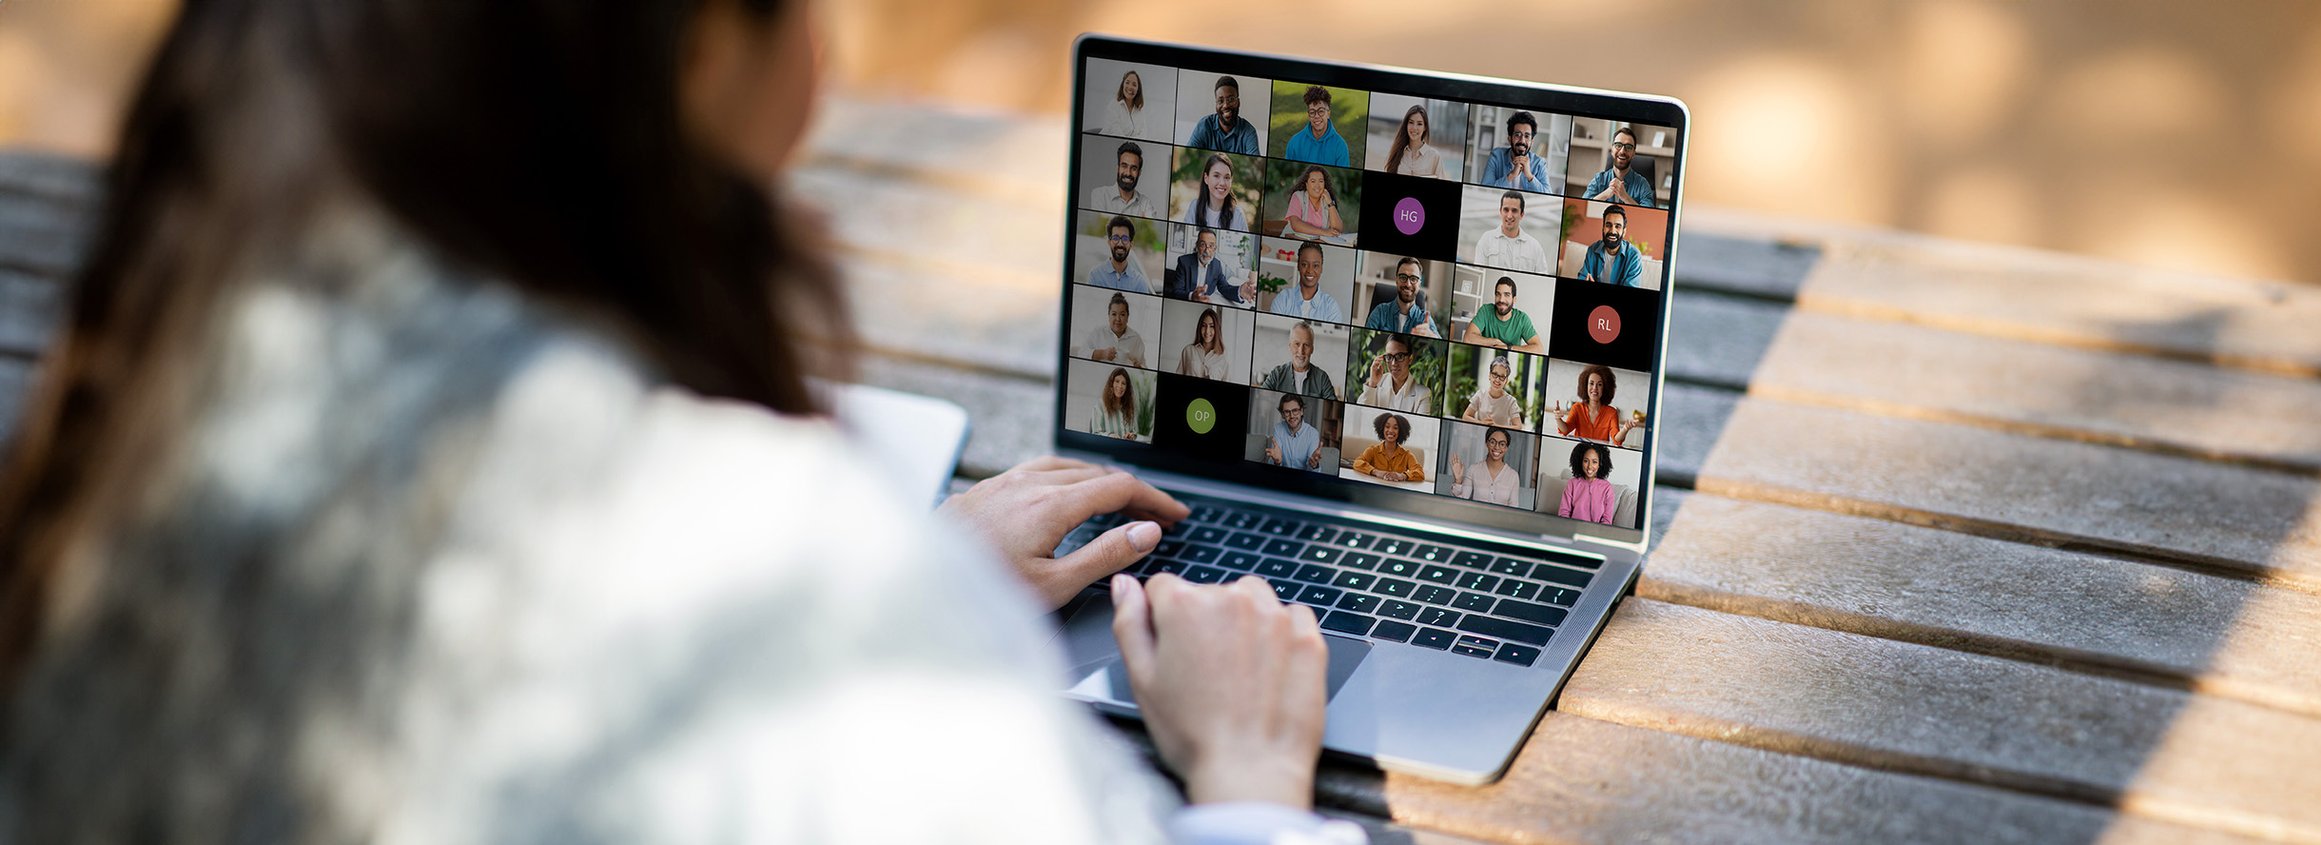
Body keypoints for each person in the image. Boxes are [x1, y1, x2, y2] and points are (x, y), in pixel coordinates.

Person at [0, 0, 1353, 842]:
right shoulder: (765, 553)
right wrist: (1244, 773)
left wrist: (907, 584)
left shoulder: (143, 396)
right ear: (700, 44)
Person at [1257, 321, 1339, 399]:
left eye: (1306, 345)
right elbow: (1262, 398)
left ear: (1312, 349)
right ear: (1290, 346)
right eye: (1297, 344)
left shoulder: (1322, 378)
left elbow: (1331, 404)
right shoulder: (1277, 375)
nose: (1301, 351)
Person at [1471, 190, 1547, 273]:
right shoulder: (1486, 240)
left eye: (1514, 210)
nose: (1509, 216)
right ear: (1500, 211)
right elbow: (1478, 272)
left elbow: (1543, 274)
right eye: (1506, 210)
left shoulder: (1535, 247)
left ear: (1522, 214)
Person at [1551, 363, 1628, 444]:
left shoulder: (1611, 413)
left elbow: (1617, 439)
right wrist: (1558, 419)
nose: (1595, 388)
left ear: (1605, 388)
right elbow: (1565, 430)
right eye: (1591, 383)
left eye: (1599, 384)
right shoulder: (1577, 408)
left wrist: (1625, 429)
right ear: (1585, 386)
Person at [1268, 242, 1346, 322]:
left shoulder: (1331, 307)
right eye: (1304, 264)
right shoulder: (1283, 299)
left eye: (1315, 265)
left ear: (1321, 268)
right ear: (1298, 266)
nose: (1310, 271)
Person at [1581, 126, 1657, 208]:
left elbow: (1648, 214)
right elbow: (1583, 206)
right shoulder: (1599, 179)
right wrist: (1605, 194)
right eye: (1618, 145)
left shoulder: (1642, 184)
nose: (1622, 151)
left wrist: (1625, 196)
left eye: (1628, 147)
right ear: (1612, 149)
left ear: (1634, 153)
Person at [1362, 257, 1439, 337]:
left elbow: (1441, 348)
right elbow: (1362, 342)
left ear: (1419, 284)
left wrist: (1432, 337)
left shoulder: (1424, 319)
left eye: (1413, 279)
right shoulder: (1380, 312)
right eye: (1403, 277)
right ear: (1396, 280)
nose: (1408, 284)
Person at [1185, 75, 1260, 155]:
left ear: (1238, 102)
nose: (1226, 105)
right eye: (1220, 101)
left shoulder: (1249, 132)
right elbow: (1188, 157)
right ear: (1216, 104)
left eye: (1231, 99)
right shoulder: (1204, 125)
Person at [1463, 276, 1541, 352]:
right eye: (1498, 294)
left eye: (1506, 295)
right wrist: (1495, 342)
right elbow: (1468, 339)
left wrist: (1508, 348)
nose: (1501, 299)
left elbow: (1539, 349)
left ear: (1514, 299)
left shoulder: (1522, 319)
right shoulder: (1485, 311)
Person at [1477, 110, 1549, 192]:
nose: (1522, 141)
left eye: (1527, 136)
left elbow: (1549, 196)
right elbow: (1484, 190)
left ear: (1532, 141)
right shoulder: (1496, 156)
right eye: (1517, 135)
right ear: (1509, 139)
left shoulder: (1540, 163)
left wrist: (1529, 176)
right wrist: (1511, 175)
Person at [1448, 428, 1522, 506]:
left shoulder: (1513, 476)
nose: (1497, 447)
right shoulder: (1473, 469)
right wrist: (1458, 481)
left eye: (1502, 444)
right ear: (1487, 443)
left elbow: (1514, 507)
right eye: (1493, 442)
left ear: (1506, 448)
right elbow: (1462, 500)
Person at [1168, 228, 1244, 304]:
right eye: (1203, 245)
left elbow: (1224, 288)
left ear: (1215, 249)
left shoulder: (1217, 265)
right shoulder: (1184, 262)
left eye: (1211, 246)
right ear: (1197, 246)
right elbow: (1176, 292)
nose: (1207, 251)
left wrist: (1241, 292)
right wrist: (1192, 296)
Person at [1360, 333, 1433, 414]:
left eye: (1400, 356)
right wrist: (1372, 384)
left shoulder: (1423, 394)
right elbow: (1361, 414)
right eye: (1389, 357)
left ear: (1410, 359)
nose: (1394, 363)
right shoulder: (1374, 384)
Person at [1575, 203, 1644, 287]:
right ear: (1603, 228)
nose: (1612, 231)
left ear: (1624, 231)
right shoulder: (1592, 250)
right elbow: (1583, 277)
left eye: (1617, 226)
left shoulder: (1634, 256)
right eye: (1608, 225)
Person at [1182, 152, 1254, 230]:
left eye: (1227, 177)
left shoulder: (1238, 215)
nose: (1222, 183)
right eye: (1216, 176)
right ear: (1206, 178)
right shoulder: (1194, 207)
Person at [1074, 292, 1149, 367]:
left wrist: (1138, 367)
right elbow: (1081, 354)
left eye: (1122, 315)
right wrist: (1102, 354)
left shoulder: (1136, 338)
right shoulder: (1098, 332)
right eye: (1114, 314)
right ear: (1108, 316)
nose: (1118, 319)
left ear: (1127, 317)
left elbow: (1144, 368)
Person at [1088, 141, 1159, 218]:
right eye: (1124, 166)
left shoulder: (1146, 203)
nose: (1128, 173)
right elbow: (1097, 228)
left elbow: (1150, 229)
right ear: (1118, 168)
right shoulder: (1100, 195)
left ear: (1139, 173)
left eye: (1134, 168)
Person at [1282, 85, 1350, 166]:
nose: (1316, 116)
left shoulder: (1340, 146)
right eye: (1312, 112)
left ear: (1328, 114)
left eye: (1321, 111)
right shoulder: (1294, 142)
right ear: (1308, 116)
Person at [1351, 413, 1424, 484]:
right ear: (1382, 428)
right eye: (1387, 426)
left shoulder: (1407, 455)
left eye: (1395, 428)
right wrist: (1376, 472)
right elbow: (1357, 463)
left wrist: (1402, 476)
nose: (1391, 431)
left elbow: (1420, 473)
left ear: (1401, 431)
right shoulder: (1372, 450)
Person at [1556, 442, 1618, 524]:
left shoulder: (1607, 488)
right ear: (1580, 462)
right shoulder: (1572, 484)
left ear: (1600, 464)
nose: (1589, 466)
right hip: (1572, 530)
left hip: (1596, 533)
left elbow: (1607, 520)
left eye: (1594, 462)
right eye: (1586, 461)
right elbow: (1563, 513)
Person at [1088, 215, 1153, 293]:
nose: (1120, 244)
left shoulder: (1140, 283)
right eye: (1115, 238)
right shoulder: (1095, 276)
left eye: (1125, 239)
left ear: (1131, 244)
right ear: (1109, 242)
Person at [1457, 353, 1524, 428]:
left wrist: (1495, 426)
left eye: (1502, 377)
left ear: (1506, 380)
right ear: (1489, 375)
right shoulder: (1480, 394)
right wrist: (1481, 423)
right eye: (1495, 374)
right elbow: (1465, 417)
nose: (1497, 380)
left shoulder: (1511, 401)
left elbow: (1518, 426)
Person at [1261, 394, 1326, 471]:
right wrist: (1277, 462)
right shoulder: (1278, 429)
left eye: (1295, 410)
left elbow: (1312, 469)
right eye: (1287, 412)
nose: (1292, 416)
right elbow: (1273, 465)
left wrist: (1314, 465)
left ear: (1301, 411)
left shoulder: (1313, 433)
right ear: (1282, 415)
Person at [1279, 165, 1345, 241]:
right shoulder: (1298, 196)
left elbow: (1338, 229)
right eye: (1313, 181)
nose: (1317, 185)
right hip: (1291, 241)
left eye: (1321, 181)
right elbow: (1296, 225)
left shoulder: (1327, 200)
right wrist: (1324, 232)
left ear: (1324, 184)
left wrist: (1330, 202)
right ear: (1306, 185)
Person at [1382, 104, 1447, 178]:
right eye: (1411, 122)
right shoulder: (1397, 152)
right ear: (1406, 125)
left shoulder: (1435, 156)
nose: (1414, 127)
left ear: (1425, 127)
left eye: (1419, 124)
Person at [1176, 308, 1230, 381]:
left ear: (1217, 329)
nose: (1207, 331)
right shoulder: (1188, 351)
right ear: (1199, 327)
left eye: (1211, 326)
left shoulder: (1223, 357)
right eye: (1204, 326)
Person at [1090, 367, 1143, 440]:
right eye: (1117, 381)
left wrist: (1132, 436)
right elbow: (1095, 434)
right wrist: (1109, 435)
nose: (1120, 386)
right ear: (1111, 383)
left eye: (1123, 383)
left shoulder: (1129, 407)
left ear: (1127, 388)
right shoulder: (1100, 406)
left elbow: (1134, 431)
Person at [1101, 69, 1147, 137]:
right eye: (1127, 82)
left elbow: (1143, 134)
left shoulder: (1140, 110)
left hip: (1131, 147)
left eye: (1134, 85)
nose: (1130, 87)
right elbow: (1115, 131)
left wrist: (1133, 146)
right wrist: (1129, 145)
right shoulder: (1114, 105)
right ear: (1123, 85)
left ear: (1138, 90)